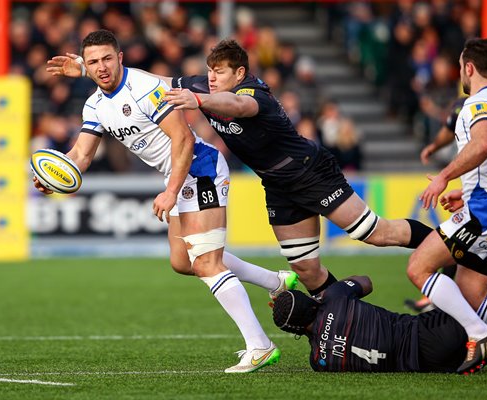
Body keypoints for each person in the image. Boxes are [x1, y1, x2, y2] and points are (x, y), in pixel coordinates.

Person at [47, 39, 434, 301]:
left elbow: (237, 108)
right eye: (209, 71)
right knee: (306, 268)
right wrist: (88, 69)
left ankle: (447, 251)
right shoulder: (207, 82)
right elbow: (146, 82)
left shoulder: (255, 94)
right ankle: (347, 314)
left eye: (220, 72)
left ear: (241, 73)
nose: (212, 77)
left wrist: (200, 99)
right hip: (277, 184)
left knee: (375, 233)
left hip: (308, 171)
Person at [37, 29, 297, 373]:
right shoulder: (95, 105)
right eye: (93, 62)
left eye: (106, 59)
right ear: (85, 65)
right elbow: (81, 154)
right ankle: (275, 282)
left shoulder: (146, 88)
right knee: (183, 261)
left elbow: (184, 140)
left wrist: (171, 191)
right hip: (178, 176)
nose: (101, 67)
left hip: (200, 170)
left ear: (121, 58)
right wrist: (57, 175)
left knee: (206, 263)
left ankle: (260, 345)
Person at [407, 38, 487, 375]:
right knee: (471, 291)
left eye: (461, 66)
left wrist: (444, 177)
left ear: (469, 68)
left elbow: (483, 143)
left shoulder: (478, 103)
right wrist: (467, 191)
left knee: (419, 267)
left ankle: (479, 333)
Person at [406, 96, 487, 313]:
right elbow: (449, 126)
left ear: (469, 68)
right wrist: (434, 147)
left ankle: (458, 302)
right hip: (484, 193)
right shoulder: (465, 104)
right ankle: (446, 299)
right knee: (458, 239)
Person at [272, 273, 487, 376]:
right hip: (431, 331)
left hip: (437, 365)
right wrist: (321, 295)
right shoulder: (334, 299)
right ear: (311, 301)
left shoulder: (319, 362)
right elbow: (366, 281)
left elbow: (321, 333)